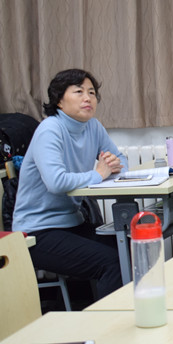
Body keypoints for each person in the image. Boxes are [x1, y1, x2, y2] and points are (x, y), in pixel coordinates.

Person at [12, 69, 128, 299]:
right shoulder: (50, 129)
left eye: (92, 93)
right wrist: (98, 174)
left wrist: (114, 165)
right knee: (112, 262)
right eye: (79, 92)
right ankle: (111, 321)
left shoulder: (93, 126)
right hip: (37, 231)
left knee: (131, 248)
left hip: (72, 224)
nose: (88, 98)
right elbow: (56, 182)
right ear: (59, 100)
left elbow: (121, 161)